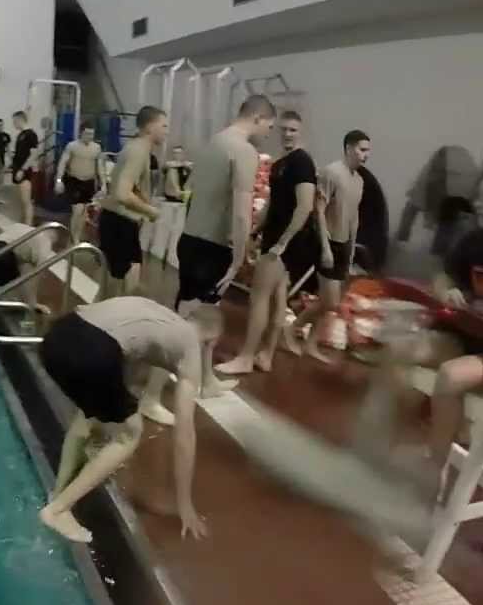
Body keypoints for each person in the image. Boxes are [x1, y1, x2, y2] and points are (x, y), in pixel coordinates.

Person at [37, 297, 223, 543]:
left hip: (56, 336)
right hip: (93, 351)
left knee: (88, 414)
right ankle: (58, 510)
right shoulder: (190, 346)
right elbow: (185, 433)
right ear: (211, 341)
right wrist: (185, 503)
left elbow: (123, 377)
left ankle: (58, 492)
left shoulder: (159, 315)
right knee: (129, 434)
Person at [218, 111, 318, 375]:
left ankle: (246, 357)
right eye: (283, 129)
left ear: (301, 131)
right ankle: (266, 355)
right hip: (275, 236)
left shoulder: (302, 162)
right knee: (277, 299)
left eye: (292, 130)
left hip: (285, 241)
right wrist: (254, 232)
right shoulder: (280, 164)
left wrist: (283, 242)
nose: (287, 134)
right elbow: (272, 205)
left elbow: (305, 206)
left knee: (259, 297)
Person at [176, 95, 278, 311]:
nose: (268, 134)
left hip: (189, 240)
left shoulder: (213, 142)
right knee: (200, 319)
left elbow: (191, 190)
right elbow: (241, 213)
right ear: (257, 118)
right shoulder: (244, 151)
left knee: (183, 311)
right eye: (269, 127)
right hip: (212, 248)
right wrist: (238, 260)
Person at [286, 130, 370, 363]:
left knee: (329, 302)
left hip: (343, 244)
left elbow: (354, 217)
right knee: (330, 301)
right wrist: (325, 247)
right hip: (327, 241)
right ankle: (293, 328)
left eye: (368, 151)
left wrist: (351, 252)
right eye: (362, 150)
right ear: (349, 148)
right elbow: (319, 211)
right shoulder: (331, 172)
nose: (366, 155)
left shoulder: (359, 181)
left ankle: (311, 344)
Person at [99, 107, 168, 295]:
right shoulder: (138, 151)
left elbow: (132, 186)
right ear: (150, 127)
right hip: (119, 221)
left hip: (118, 220)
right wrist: (150, 211)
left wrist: (146, 203)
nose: (166, 131)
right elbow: (122, 194)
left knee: (119, 278)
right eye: (163, 126)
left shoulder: (137, 148)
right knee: (123, 279)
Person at [56, 122, 103, 242]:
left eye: (92, 134)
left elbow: (99, 167)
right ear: (81, 133)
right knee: (77, 211)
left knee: (83, 212)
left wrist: (103, 185)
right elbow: (62, 163)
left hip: (88, 183)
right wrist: (59, 180)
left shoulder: (96, 148)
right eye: (87, 134)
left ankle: (76, 236)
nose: (90, 136)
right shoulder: (72, 146)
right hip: (74, 181)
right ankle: (74, 239)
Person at [9, 111, 40, 226]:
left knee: (27, 201)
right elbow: (20, 154)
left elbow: (34, 154)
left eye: (14, 121)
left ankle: (28, 227)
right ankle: (23, 225)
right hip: (18, 170)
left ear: (20, 119)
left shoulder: (31, 134)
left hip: (25, 172)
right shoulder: (20, 135)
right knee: (22, 200)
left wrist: (23, 170)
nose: (13, 124)